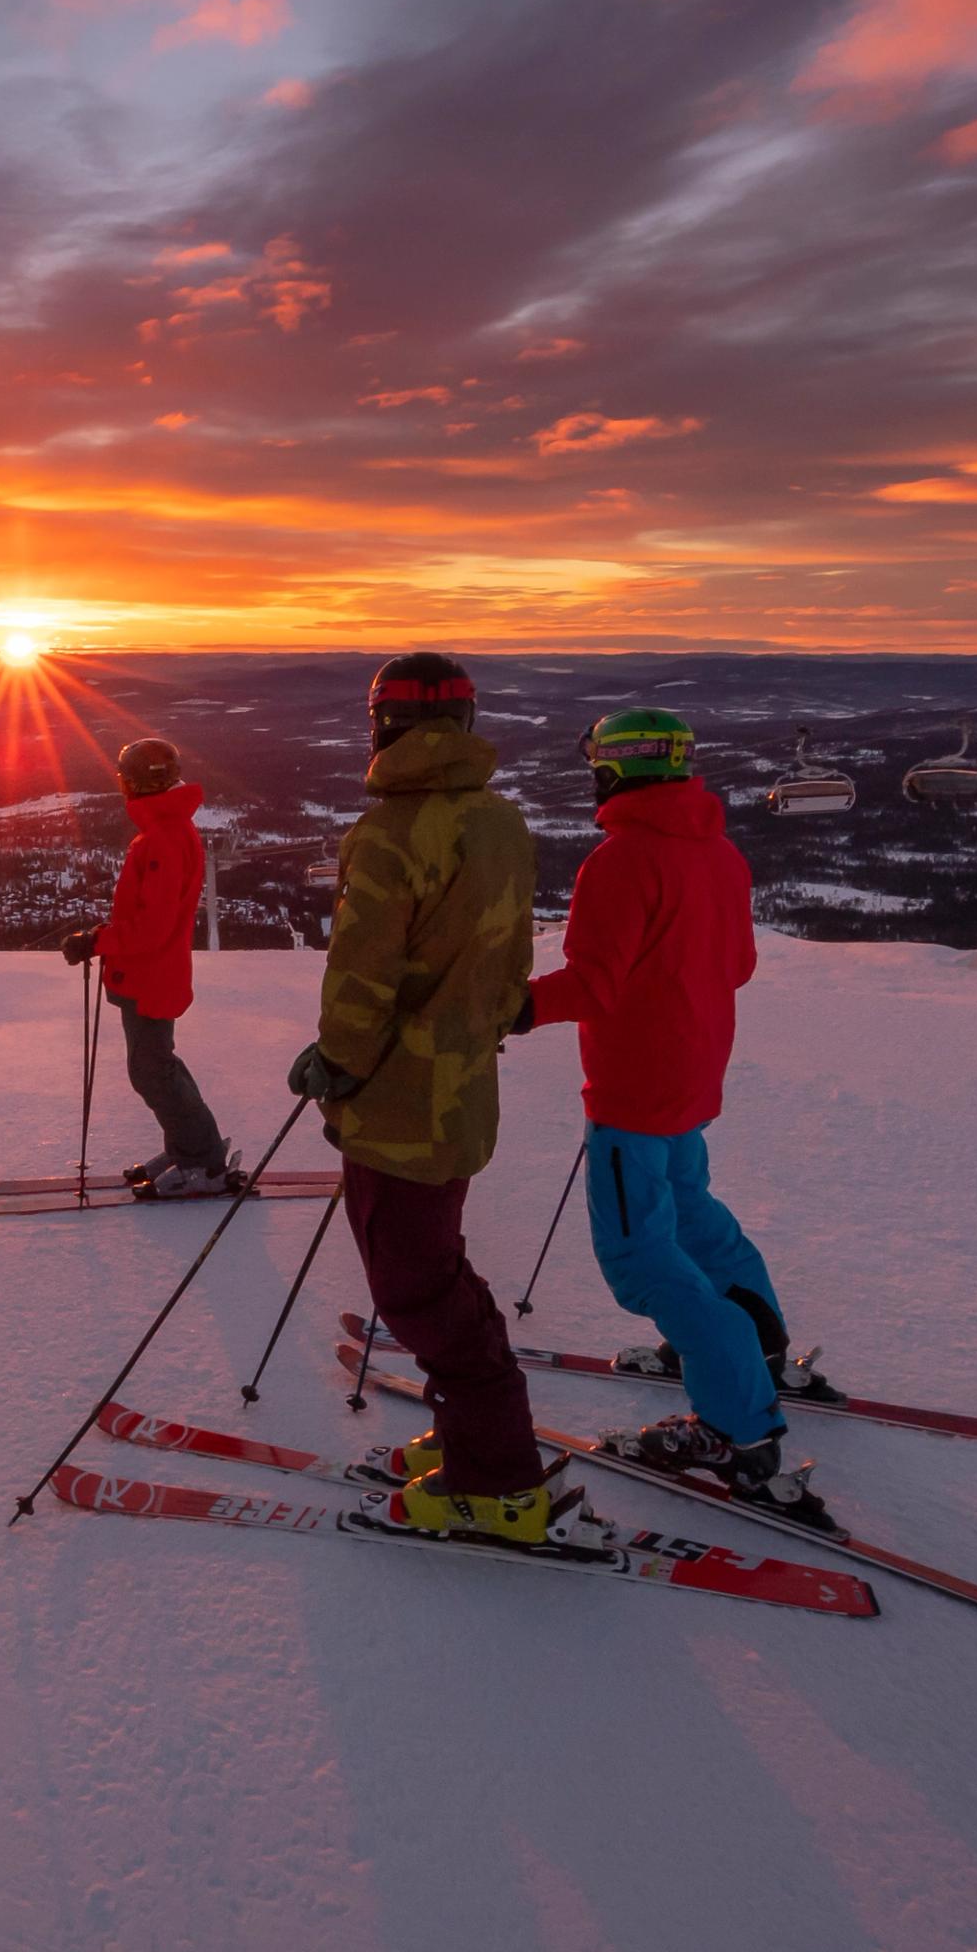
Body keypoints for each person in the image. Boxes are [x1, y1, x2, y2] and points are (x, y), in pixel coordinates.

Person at [287, 652, 601, 1554]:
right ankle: (474, 1440)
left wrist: (336, 1062)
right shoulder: (500, 822)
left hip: (396, 1105)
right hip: (464, 1092)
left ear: (381, 724)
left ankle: (497, 1481)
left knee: (415, 1288)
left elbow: (361, 976)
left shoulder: (389, 833)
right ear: (464, 724)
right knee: (438, 1268)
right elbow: (506, 972)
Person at [510, 709, 825, 1524]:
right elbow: (740, 966)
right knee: (690, 1214)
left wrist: (510, 1008)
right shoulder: (717, 851)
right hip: (693, 1073)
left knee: (641, 1258)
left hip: (634, 1089)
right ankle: (756, 1349)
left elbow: (592, 985)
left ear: (612, 770)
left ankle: (735, 1427)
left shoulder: (620, 861)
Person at [60, 736, 237, 1199]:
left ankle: (203, 1159)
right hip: (151, 971)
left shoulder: (162, 838)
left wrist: (98, 941)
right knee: (157, 1065)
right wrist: (105, 937)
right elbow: (149, 917)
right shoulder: (167, 829)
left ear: (134, 784)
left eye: (124, 780)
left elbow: (151, 927)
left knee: (152, 1070)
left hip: (152, 974)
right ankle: (189, 1149)